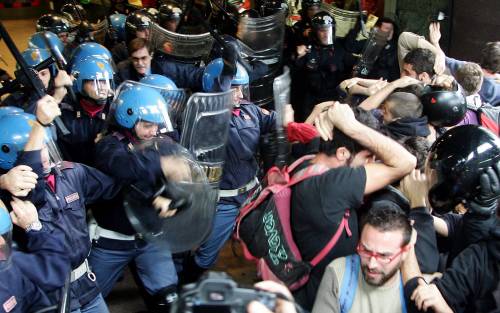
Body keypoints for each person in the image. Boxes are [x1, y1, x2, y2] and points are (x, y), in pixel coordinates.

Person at [290, 102, 416, 309]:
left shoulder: (309, 161)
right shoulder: (332, 186)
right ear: (341, 153)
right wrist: (351, 127)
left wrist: (342, 120)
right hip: (324, 297)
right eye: (368, 157)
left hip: (305, 288)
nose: (373, 164)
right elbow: (406, 162)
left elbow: (345, 115)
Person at [88, 83, 182, 312]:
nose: (153, 131)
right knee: (84, 299)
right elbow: (124, 167)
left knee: (169, 298)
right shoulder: (109, 145)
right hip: (112, 240)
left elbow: (181, 181)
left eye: (157, 125)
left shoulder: (162, 143)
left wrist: (170, 197)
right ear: (128, 119)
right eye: (148, 125)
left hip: (150, 237)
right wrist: (162, 163)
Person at [399, 125, 500, 313]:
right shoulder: (485, 238)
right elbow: (455, 227)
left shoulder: (486, 259)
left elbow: (423, 301)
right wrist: (480, 214)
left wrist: (418, 209)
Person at [312, 205, 413, 313]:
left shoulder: (418, 289)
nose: (371, 265)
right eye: (366, 251)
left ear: (405, 253)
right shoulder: (339, 273)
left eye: (383, 256)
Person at [0, 198, 71, 313]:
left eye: (3, 236)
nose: (1, 243)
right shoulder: (11, 264)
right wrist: (34, 227)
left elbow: (37, 302)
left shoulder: (10, 267)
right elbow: (53, 270)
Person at [293, 11, 354, 121]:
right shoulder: (307, 49)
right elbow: (297, 77)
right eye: (322, 30)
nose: (326, 34)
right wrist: (298, 57)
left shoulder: (340, 47)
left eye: (328, 30)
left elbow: (351, 70)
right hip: (312, 101)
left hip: (334, 99)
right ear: (315, 32)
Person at [428, 22, 500, 106]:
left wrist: (435, 42)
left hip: (453, 104)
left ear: (484, 53)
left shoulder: (466, 68)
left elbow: (443, 59)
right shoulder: (497, 88)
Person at [59, 56, 115, 165]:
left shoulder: (115, 110)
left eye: (105, 82)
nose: (102, 88)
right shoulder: (65, 112)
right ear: (80, 84)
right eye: (95, 83)